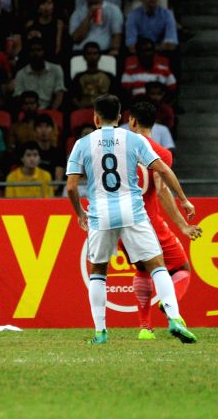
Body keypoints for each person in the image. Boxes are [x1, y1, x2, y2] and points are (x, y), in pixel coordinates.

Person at [65, 94, 197, 345]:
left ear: (95, 118)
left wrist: (80, 213)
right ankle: (174, 318)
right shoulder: (133, 139)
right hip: (133, 212)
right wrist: (184, 199)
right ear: (119, 118)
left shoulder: (82, 143)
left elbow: (71, 187)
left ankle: (100, 332)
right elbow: (163, 170)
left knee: (99, 271)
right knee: (157, 265)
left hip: (100, 213)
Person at [127, 101, 201, 339]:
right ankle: (170, 304)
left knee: (142, 269)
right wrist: (182, 223)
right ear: (154, 123)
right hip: (148, 220)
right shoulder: (161, 152)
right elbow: (160, 190)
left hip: (120, 221)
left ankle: (145, 328)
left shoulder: (120, 147)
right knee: (181, 269)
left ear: (132, 122)